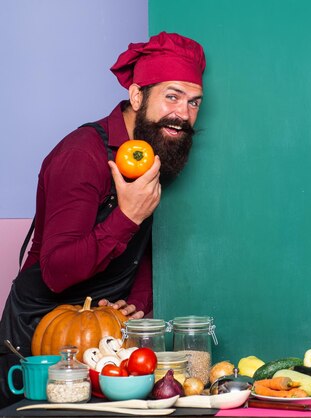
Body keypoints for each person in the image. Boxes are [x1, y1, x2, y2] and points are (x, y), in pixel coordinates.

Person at [0, 31, 206, 407]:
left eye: (194, 102)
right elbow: (57, 270)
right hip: (40, 338)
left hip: (106, 342)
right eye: (172, 97)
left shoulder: (152, 152)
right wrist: (126, 216)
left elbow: (143, 251)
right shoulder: (82, 155)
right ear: (137, 96)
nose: (183, 114)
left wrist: (136, 304)